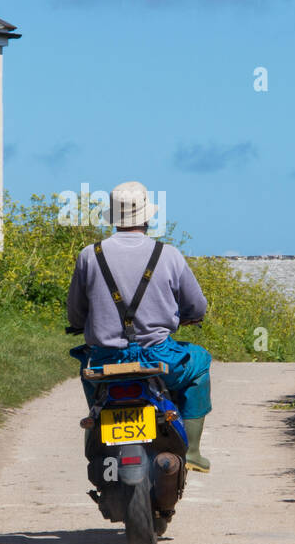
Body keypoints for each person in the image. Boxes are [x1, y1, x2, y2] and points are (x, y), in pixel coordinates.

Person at [66, 181, 213, 472]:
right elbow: (197, 307)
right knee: (200, 364)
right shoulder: (168, 254)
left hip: (106, 359)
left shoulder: (89, 255)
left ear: (114, 217)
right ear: (146, 217)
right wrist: (187, 317)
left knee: (89, 373)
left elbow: (75, 313)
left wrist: (84, 323)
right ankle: (193, 451)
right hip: (159, 357)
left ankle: (98, 425)